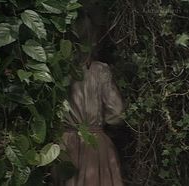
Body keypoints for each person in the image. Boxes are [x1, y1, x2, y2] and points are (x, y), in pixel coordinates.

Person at [50, 9, 125, 186]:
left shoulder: (55, 69)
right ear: (92, 38)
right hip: (94, 144)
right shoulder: (100, 71)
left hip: (64, 144)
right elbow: (116, 113)